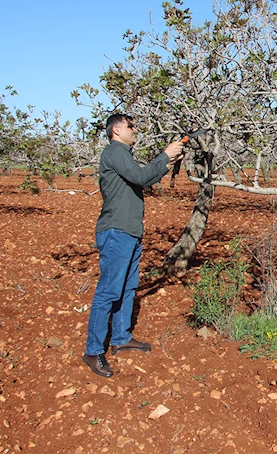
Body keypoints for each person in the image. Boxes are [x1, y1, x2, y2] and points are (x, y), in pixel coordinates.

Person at [82, 114, 184, 378]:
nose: (135, 130)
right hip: (116, 231)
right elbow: (140, 177)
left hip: (129, 231)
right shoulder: (115, 151)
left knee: (127, 288)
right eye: (131, 126)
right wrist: (164, 155)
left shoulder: (123, 155)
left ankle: (120, 338)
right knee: (109, 290)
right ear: (116, 130)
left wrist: (168, 161)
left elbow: (143, 178)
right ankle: (93, 350)